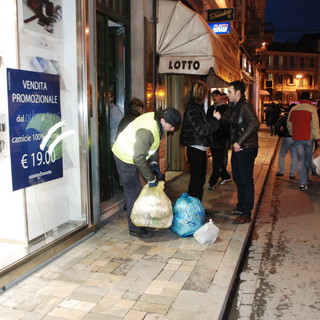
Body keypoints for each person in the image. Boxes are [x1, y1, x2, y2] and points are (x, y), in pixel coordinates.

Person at [112, 107, 181, 238]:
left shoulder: (156, 123)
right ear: (163, 121)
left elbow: (153, 145)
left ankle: (142, 219)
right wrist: (151, 178)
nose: (172, 130)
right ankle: (135, 228)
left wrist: (154, 164)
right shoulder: (148, 130)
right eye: (171, 126)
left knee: (139, 189)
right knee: (133, 190)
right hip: (124, 156)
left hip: (135, 155)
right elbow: (138, 158)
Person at [223, 80, 260, 224]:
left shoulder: (245, 106)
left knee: (245, 180)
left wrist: (240, 141)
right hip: (238, 148)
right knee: (238, 178)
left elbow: (254, 123)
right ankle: (241, 206)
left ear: (238, 92)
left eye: (230, 92)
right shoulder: (234, 106)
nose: (228, 94)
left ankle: (246, 212)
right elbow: (228, 120)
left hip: (246, 148)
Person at [180, 80, 221, 202]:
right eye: (205, 93)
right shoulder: (193, 109)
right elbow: (201, 129)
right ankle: (192, 210)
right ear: (200, 93)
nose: (206, 96)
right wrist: (215, 120)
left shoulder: (197, 108)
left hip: (199, 149)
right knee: (196, 182)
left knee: (198, 181)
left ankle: (196, 208)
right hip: (196, 150)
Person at [287, 92, 320, 191]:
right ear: (309, 98)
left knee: (300, 159)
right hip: (308, 138)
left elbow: (289, 124)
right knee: (307, 159)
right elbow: (314, 126)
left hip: (297, 138)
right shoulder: (312, 109)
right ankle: (305, 180)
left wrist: (293, 133)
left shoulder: (294, 109)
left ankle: (303, 182)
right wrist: (318, 138)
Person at [207, 89, 231, 190]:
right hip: (213, 137)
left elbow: (227, 124)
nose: (214, 98)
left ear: (220, 96)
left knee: (218, 160)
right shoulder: (211, 108)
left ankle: (212, 181)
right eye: (212, 96)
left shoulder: (225, 108)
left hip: (223, 138)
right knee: (217, 159)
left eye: (215, 96)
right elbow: (207, 121)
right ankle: (226, 176)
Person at [275, 104, 297, 180]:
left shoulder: (285, 117)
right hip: (295, 137)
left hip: (286, 137)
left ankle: (281, 171)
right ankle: (292, 174)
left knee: (282, 154)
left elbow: (277, 126)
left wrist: (280, 134)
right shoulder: (297, 116)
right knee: (294, 156)